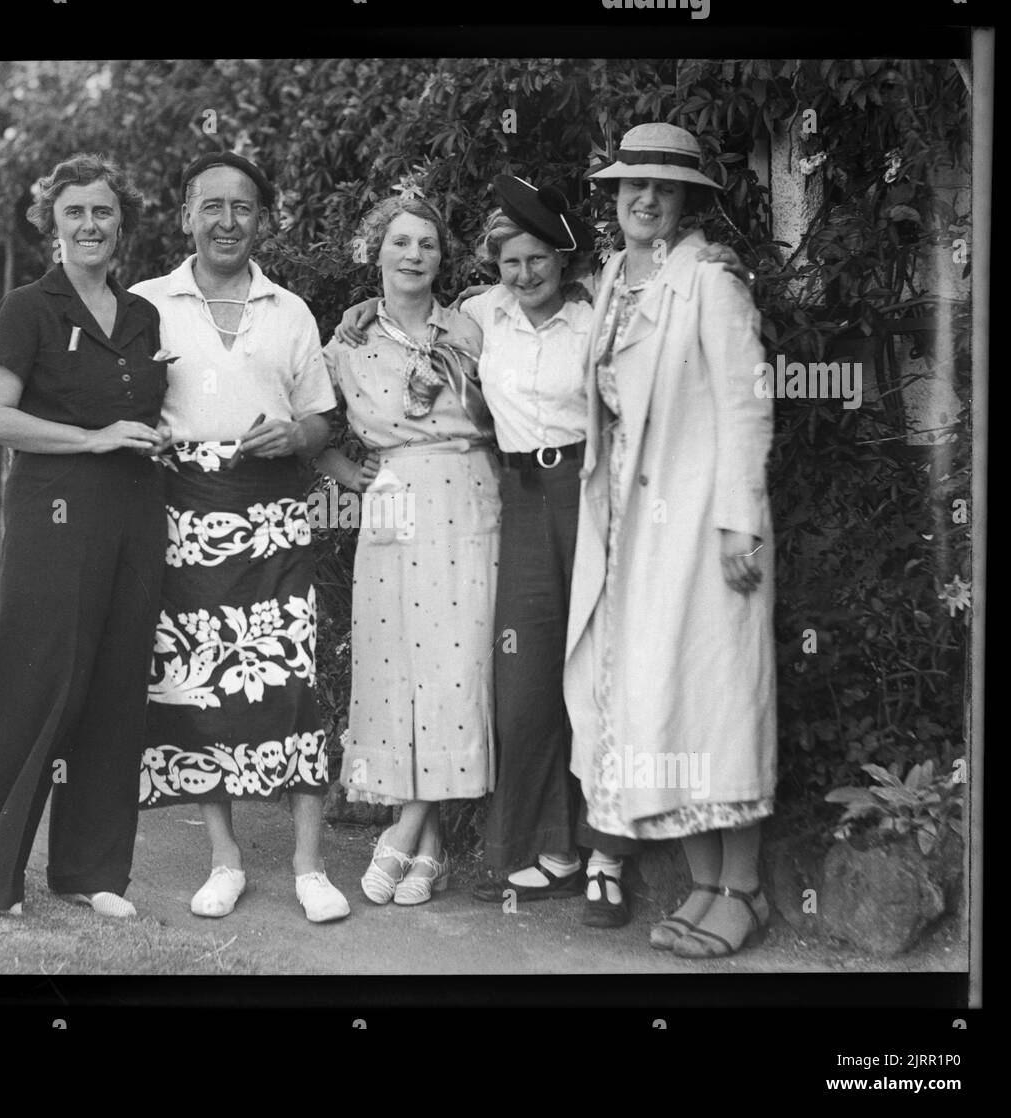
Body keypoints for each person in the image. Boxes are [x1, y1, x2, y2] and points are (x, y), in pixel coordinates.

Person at [335, 175, 750, 926]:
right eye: (509, 262)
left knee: (602, 673)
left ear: (565, 260)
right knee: (522, 682)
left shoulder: (598, 310)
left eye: (538, 260)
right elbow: (410, 333)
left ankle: (604, 857)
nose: (524, 275)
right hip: (516, 498)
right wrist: (367, 308)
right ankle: (533, 848)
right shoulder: (475, 316)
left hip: (594, 492)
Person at [563, 122, 777, 956]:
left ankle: (746, 891)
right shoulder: (614, 276)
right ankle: (699, 885)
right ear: (614, 199)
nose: (643, 200)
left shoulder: (711, 284)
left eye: (662, 189)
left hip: (699, 524)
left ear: (687, 202)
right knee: (659, 697)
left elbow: (747, 405)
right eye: (629, 187)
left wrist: (739, 525)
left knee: (717, 697)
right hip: (625, 528)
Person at [129, 152, 350, 924]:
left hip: (274, 514)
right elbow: (114, 403)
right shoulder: (145, 303)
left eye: (245, 208)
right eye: (213, 206)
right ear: (186, 214)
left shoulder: (288, 309)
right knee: (196, 683)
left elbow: (323, 417)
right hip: (181, 513)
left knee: (290, 678)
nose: (229, 221)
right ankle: (224, 860)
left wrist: (297, 436)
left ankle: (309, 866)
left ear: (263, 220)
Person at [0, 153, 171, 918]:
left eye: (103, 212)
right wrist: (93, 439)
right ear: (52, 225)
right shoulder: (30, 308)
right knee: (40, 684)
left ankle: (91, 874)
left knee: (118, 687)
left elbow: (145, 411)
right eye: (75, 212)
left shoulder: (145, 314)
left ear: (123, 225)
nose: (91, 224)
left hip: (135, 517)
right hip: (55, 517)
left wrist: (153, 440)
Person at [314, 196, 499, 906]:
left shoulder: (474, 324)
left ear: (441, 257)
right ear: (377, 251)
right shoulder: (349, 340)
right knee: (398, 667)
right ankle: (432, 846)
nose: (414, 255)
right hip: (392, 502)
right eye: (400, 242)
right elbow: (308, 414)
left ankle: (406, 828)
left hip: (466, 494)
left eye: (427, 244)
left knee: (458, 665)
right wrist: (343, 471)